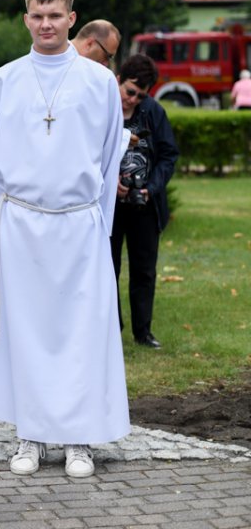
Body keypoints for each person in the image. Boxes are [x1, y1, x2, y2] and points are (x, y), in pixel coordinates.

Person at [0, 0, 130, 479]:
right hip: (21, 222)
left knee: (79, 332)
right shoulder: (2, 80)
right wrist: (11, 221)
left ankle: (78, 438)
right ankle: (31, 434)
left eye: (55, 15)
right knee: (26, 331)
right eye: (38, 15)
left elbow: (109, 159)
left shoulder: (98, 81)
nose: (46, 24)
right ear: (27, 19)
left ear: (71, 18)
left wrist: (97, 224)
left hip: (79, 224)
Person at [111, 54, 179, 349]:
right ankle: (110, 329)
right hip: (108, 206)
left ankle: (143, 331)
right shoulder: (104, 108)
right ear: (118, 81)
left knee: (144, 269)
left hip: (145, 206)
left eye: (140, 95)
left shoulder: (153, 111)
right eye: (129, 92)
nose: (132, 100)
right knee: (106, 269)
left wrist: (151, 188)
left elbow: (168, 154)